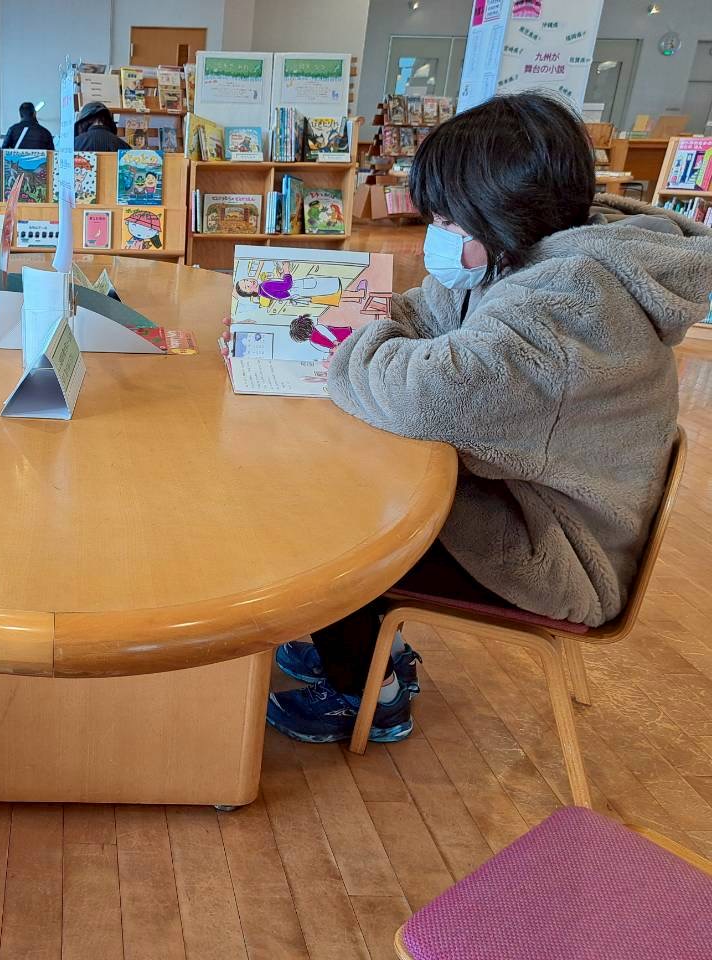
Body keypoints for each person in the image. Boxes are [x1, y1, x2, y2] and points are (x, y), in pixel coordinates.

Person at [243, 94, 712, 745]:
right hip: (532, 504)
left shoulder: (570, 300)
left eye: (445, 219)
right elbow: (424, 311)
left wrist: (349, 353)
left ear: (499, 213)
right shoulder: (525, 249)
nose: (435, 233)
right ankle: (373, 654)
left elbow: (424, 394)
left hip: (560, 552)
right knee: (355, 485)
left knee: (328, 526)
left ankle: (368, 694)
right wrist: (372, 335)